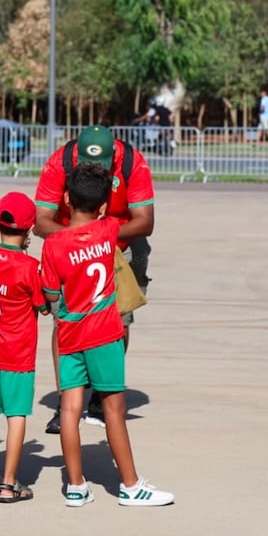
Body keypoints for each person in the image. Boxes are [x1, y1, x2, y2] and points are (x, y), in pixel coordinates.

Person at [40, 163, 174, 507]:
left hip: (70, 333)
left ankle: (75, 485)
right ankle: (130, 485)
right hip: (104, 333)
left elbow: (51, 294)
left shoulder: (53, 245)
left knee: (69, 409)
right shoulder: (108, 229)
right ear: (102, 207)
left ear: (66, 199)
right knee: (113, 409)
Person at [34, 125, 155, 434]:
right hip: (69, 243)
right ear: (77, 156)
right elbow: (41, 220)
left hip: (120, 245)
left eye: (101, 165)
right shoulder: (59, 162)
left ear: (113, 155)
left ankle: (102, 395)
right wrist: (80, 239)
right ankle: (66, 400)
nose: (95, 170)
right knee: (64, 320)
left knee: (119, 321)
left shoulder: (132, 162)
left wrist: (102, 237)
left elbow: (145, 221)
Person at [0, 191, 49, 503]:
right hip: (18, 355)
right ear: (30, 229)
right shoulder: (29, 266)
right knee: (16, 415)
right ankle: (8, 481)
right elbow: (43, 306)